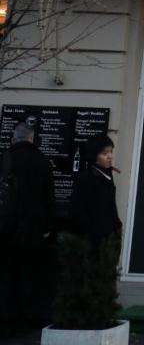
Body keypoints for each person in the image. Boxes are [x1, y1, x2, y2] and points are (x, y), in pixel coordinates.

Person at [0, 121, 56, 338]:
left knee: (5, 275)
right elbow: (49, 199)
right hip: (32, 230)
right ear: (32, 139)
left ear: (13, 138)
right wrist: (47, 227)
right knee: (28, 276)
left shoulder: (5, 159)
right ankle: (23, 322)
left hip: (5, 229)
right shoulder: (42, 162)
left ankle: (5, 321)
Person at [71, 134, 122, 251]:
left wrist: (117, 226)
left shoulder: (106, 174)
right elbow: (79, 210)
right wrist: (93, 234)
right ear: (94, 155)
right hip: (94, 240)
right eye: (104, 153)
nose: (110, 156)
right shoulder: (87, 178)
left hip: (108, 238)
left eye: (111, 152)